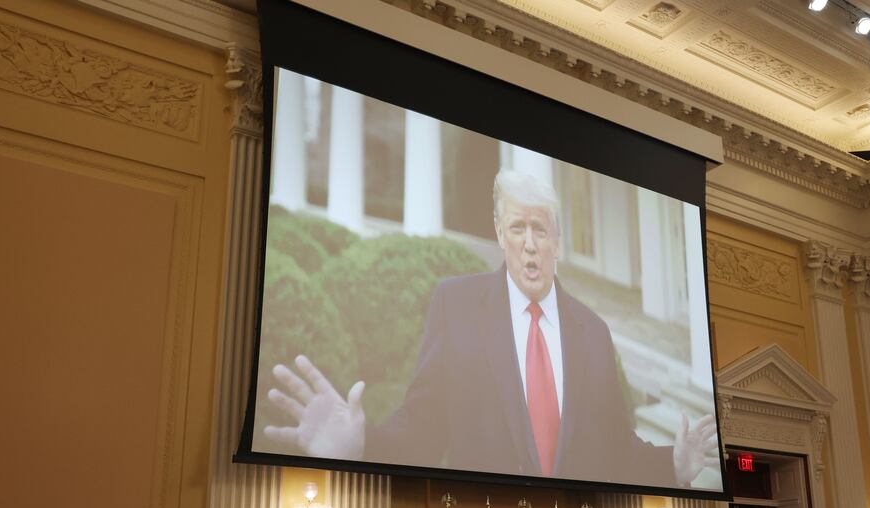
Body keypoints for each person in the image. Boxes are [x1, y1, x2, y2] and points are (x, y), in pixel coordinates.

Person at [264, 169, 717, 488]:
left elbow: (616, 447)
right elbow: (424, 427)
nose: (529, 245)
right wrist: (363, 443)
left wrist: (671, 466)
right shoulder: (456, 305)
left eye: (540, 229)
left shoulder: (592, 331)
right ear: (500, 234)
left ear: (558, 242)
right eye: (517, 227)